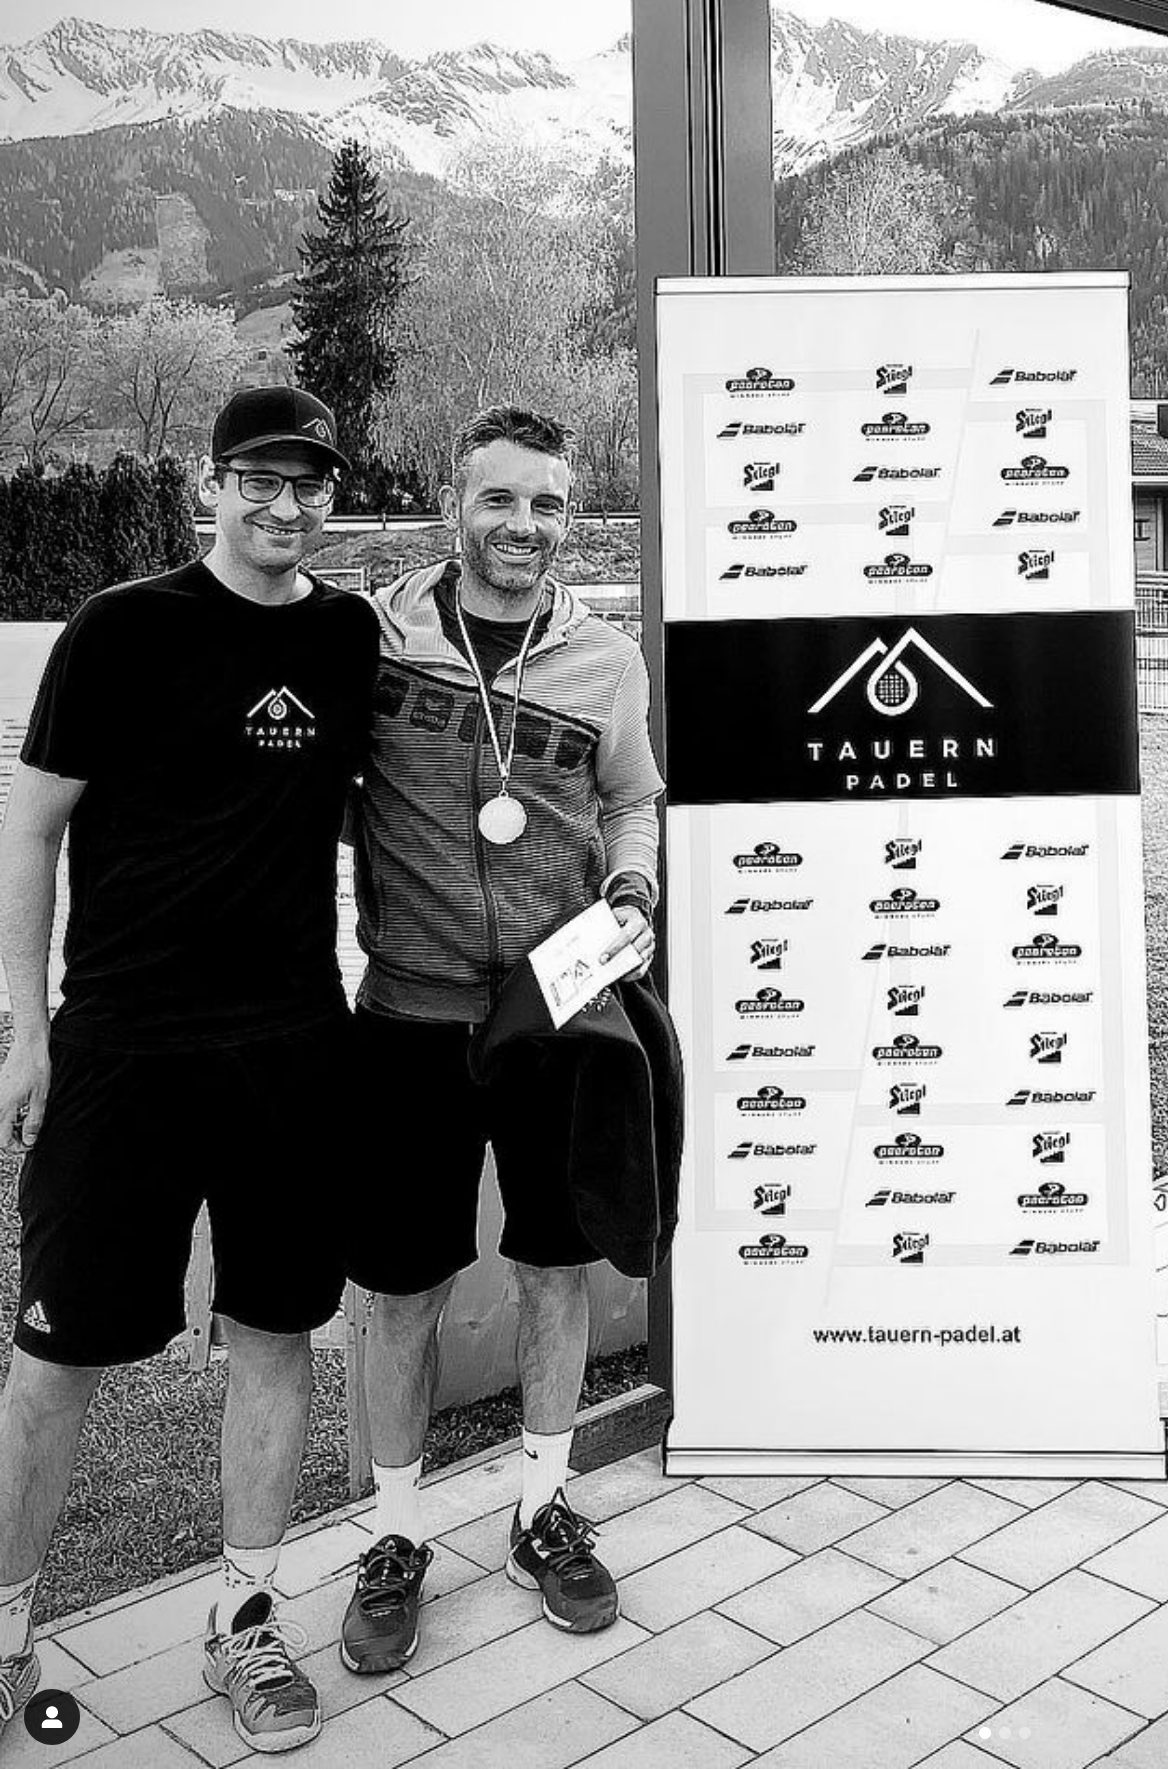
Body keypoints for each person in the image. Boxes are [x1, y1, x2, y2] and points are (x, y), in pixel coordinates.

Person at [0, 387, 376, 1751]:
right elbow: (31, 825)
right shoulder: (121, 627)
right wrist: (27, 1027)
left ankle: (245, 1622)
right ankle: (4, 1633)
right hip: (124, 1052)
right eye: (257, 479)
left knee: (275, 1338)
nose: (285, 505)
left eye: (309, 483)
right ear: (209, 487)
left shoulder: (347, 637)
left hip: (290, 1048)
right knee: (55, 1361)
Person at [340, 404, 663, 1675]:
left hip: (555, 1008)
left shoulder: (604, 658)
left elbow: (631, 794)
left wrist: (632, 887)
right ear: (453, 503)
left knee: (553, 1266)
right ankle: (395, 1533)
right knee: (402, 1286)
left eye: (546, 504)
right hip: (410, 1015)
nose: (523, 525)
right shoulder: (379, 640)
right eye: (500, 499)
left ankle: (541, 1506)